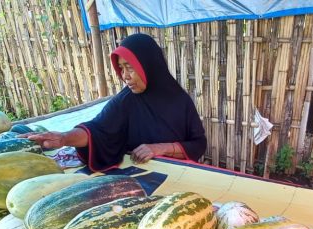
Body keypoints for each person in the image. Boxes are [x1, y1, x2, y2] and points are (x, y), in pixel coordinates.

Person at [22, 33, 207, 171]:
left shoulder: (180, 100)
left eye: (130, 68)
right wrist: (64, 138)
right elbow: (96, 130)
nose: (124, 76)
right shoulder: (126, 100)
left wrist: (161, 148)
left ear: (149, 66)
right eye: (121, 68)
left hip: (182, 175)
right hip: (142, 175)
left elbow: (198, 144)